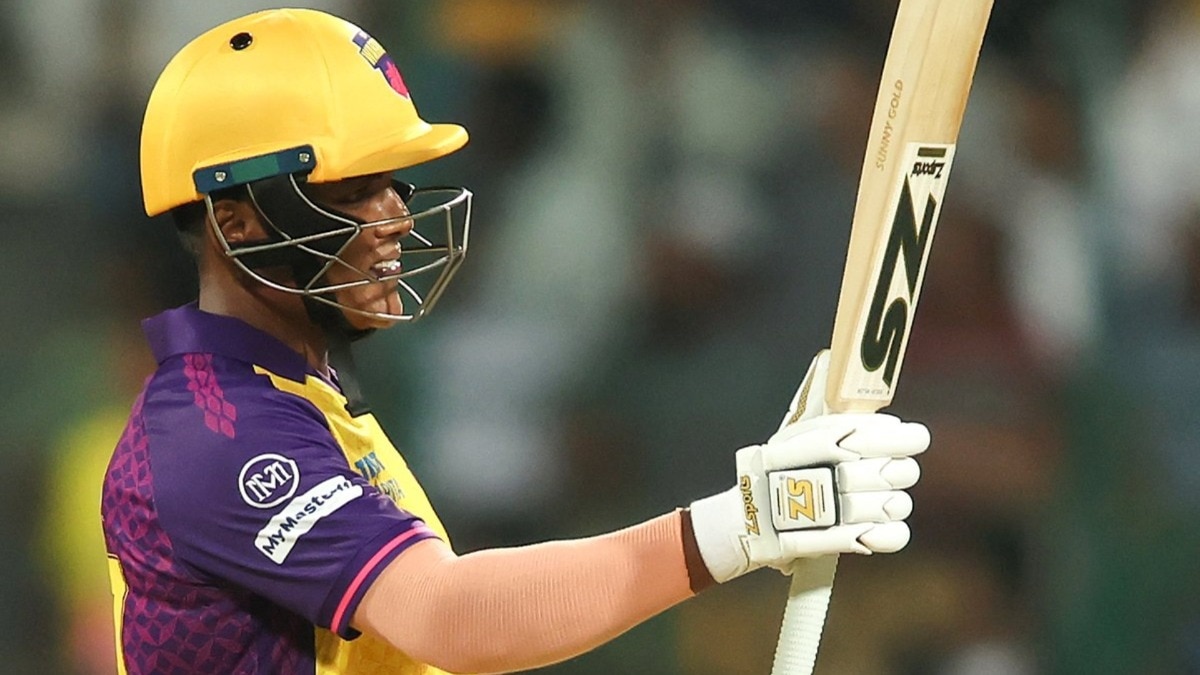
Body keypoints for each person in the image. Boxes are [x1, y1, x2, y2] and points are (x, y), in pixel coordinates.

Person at [101, 8, 930, 674]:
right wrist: (744, 525)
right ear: (237, 221)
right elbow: (451, 615)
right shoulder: (217, 432)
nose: (395, 217)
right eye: (352, 189)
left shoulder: (287, 393)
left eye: (393, 182)